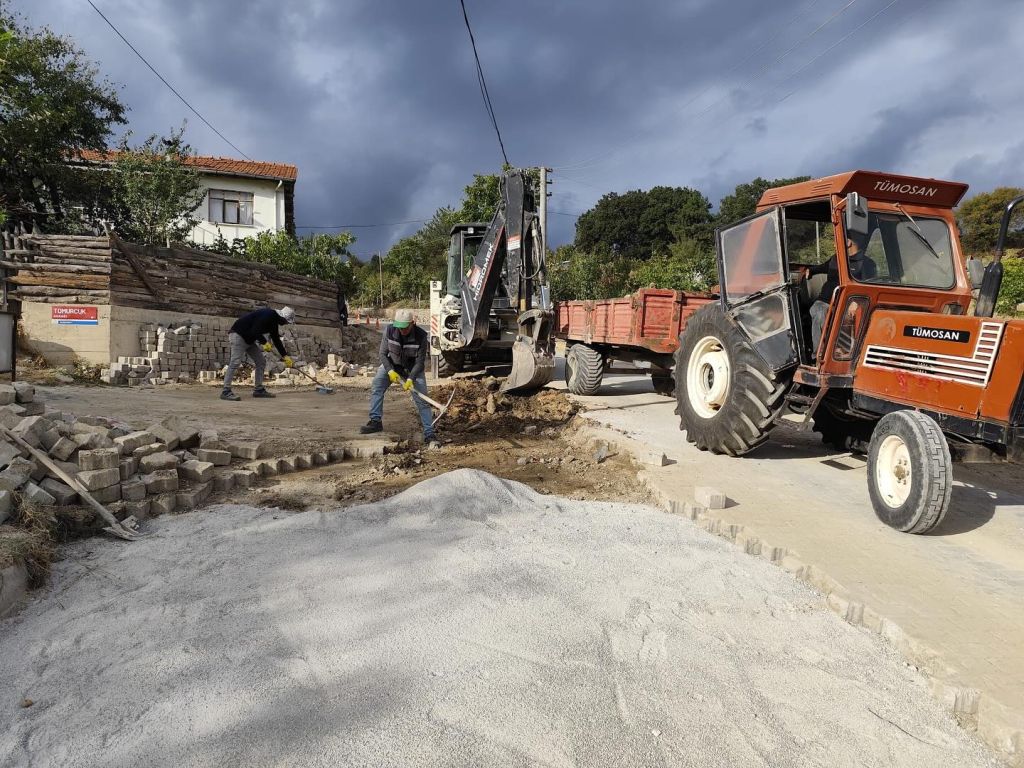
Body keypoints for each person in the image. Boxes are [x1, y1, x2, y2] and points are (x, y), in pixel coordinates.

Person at [360, 308, 437, 445]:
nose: (402, 331)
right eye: (399, 328)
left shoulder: (421, 336)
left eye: (405, 328)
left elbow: (420, 362)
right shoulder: (390, 330)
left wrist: (410, 379)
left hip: (413, 370)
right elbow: (382, 354)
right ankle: (375, 421)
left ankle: (429, 433)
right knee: (377, 386)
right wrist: (389, 370)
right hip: (392, 366)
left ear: (412, 323)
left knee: (422, 402)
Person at [804, 236, 875, 353]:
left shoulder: (867, 264)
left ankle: (844, 352)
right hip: (825, 301)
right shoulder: (836, 258)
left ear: (848, 242)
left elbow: (870, 287)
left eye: (836, 241)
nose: (833, 245)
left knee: (851, 316)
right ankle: (819, 354)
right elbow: (822, 267)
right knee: (819, 310)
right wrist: (810, 270)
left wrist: (856, 302)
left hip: (847, 302)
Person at [221, 306, 296, 401]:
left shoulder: (274, 322)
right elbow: (255, 329)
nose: (285, 324)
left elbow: (276, 340)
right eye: (286, 322)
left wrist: (285, 356)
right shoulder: (268, 314)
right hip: (238, 335)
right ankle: (226, 391)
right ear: (283, 317)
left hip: (249, 339)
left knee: (261, 362)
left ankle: (258, 389)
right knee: (235, 362)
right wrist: (264, 342)